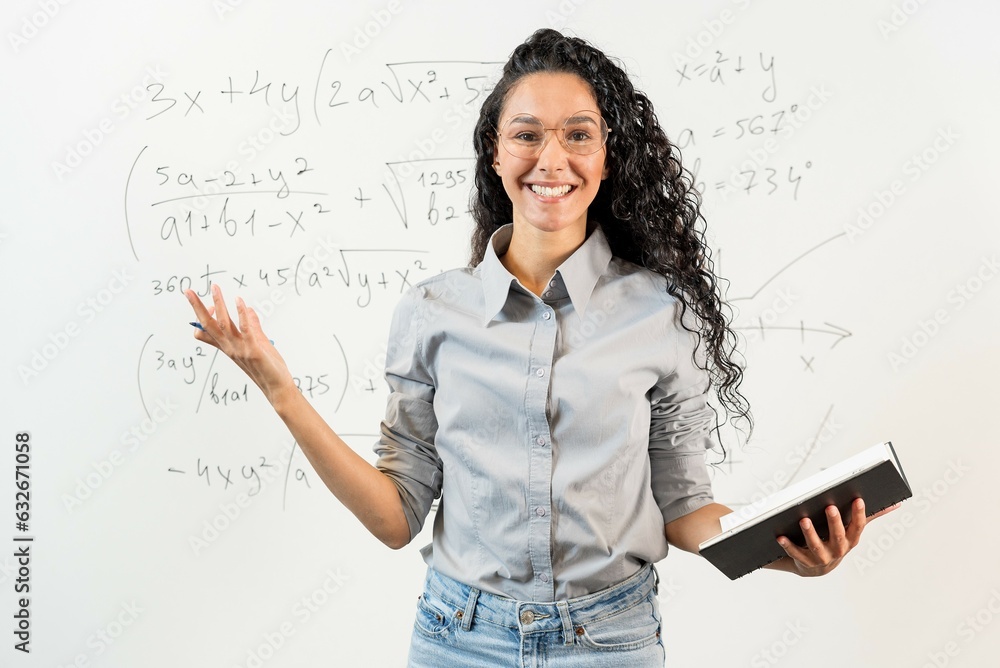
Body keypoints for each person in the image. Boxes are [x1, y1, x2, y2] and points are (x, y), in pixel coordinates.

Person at [185, 28, 896, 668]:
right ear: (495, 154)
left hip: (610, 644)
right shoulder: (432, 312)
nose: (551, 158)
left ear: (608, 156)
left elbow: (685, 510)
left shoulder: (660, 312)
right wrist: (279, 388)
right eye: (526, 135)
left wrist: (786, 551)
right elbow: (395, 518)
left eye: (578, 135)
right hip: (456, 641)